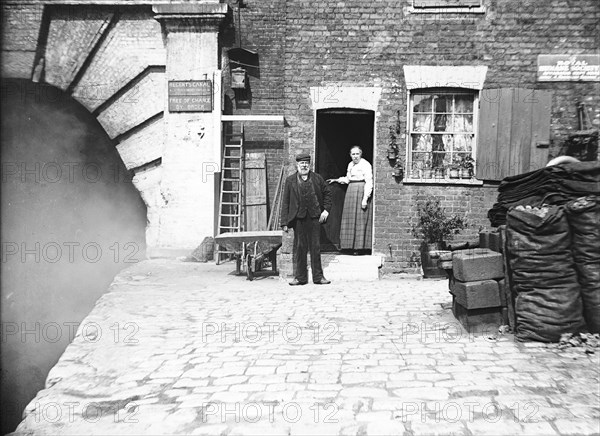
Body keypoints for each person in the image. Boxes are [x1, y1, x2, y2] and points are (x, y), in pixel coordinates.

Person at [280, 153, 332, 285]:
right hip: (299, 218)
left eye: (306, 164)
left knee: (315, 247)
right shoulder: (290, 180)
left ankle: (318, 277)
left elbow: (327, 194)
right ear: (297, 165)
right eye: (301, 163)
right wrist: (284, 222)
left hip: (315, 217)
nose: (304, 166)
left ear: (310, 165)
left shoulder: (317, 178)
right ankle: (300, 278)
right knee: (300, 247)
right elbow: (285, 201)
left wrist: (326, 210)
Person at [328, 146, 373, 253]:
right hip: (351, 191)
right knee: (350, 218)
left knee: (360, 219)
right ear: (350, 155)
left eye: (357, 154)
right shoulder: (350, 165)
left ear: (361, 154)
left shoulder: (365, 164)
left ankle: (360, 248)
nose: (355, 156)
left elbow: (369, 182)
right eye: (353, 154)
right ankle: (348, 246)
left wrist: (365, 199)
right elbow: (348, 179)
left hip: (361, 190)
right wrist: (336, 180)